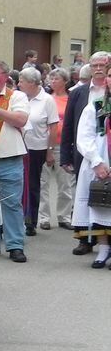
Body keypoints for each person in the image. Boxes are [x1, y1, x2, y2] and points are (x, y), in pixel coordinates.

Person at [0, 60, 30, 262]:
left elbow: (21, 119)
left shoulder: (16, 96)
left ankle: (15, 245)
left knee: (11, 204)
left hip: (9, 158)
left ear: (5, 76)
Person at [61, 52, 108, 255]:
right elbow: (69, 126)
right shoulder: (78, 93)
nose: (98, 68)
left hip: (106, 150)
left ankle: (106, 243)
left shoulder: (109, 89)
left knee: (106, 197)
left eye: (102, 65)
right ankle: (85, 240)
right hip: (84, 152)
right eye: (94, 65)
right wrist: (65, 155)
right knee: (86, 195)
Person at [71, 85, 111, 267]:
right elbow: (84, 136)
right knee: (100, 204)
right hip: (99, 161)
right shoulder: (95, 106)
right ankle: (103, 249)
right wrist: (97, 162)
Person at [18, 67, 60, 237]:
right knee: (16, 185)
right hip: (17, 147)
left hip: (37, 149)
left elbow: (53, 127)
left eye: (22, 81)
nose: (18, 84)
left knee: (32, 185)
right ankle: (14, 220)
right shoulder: (18, 97)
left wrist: (50, 151)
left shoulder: (47, 100)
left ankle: (30, 221)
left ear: (32, 83)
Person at [38, 67, 74, 231]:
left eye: (56, 79)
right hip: (44, 144)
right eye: (51, 79)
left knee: (64, 183)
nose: (52, 82)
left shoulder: (70, 99)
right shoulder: (46, 99)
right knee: (42, 182)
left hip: (62, 145)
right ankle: (43, 217)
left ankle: (64, 216)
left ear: (65, 81)